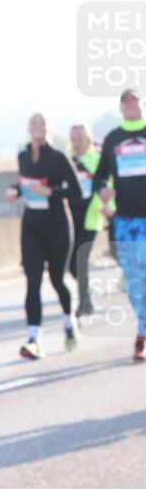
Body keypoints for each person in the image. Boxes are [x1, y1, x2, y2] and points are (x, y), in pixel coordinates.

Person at [5, 113, 82, 360]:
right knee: (33, 280)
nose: (37, 127)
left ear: (49, 128)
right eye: (33, 123)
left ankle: (68, 321)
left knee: (57, 279)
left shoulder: (58, 158)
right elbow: (24, 184)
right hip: (31, 226)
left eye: (42, 123)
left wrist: (50, 191)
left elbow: (76, 191)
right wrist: (14, 191)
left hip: (57, 226)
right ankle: (34, 339)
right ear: (28, 128)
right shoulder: (23, 156)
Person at [93, 88, 146, 362]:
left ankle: (142, 335)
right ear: (120, 107)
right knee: (134, 281)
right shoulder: (113, 139)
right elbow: (99, 177)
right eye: (125, 102)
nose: (130, 106)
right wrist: (102, 189)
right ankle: (143, 332)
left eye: (134, 101)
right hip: (124, 221)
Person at [67, 123, 106, 318]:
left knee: (80, 261)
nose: (77, 143)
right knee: (71, 266)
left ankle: (84, 302)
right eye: (73, 139)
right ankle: (87, 296)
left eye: (80, 139)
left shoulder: (97, 160)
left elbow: (108, 185)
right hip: (70, 219)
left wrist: (108, 206)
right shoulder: (67, 160)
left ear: (88, 140)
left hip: (90, 218)